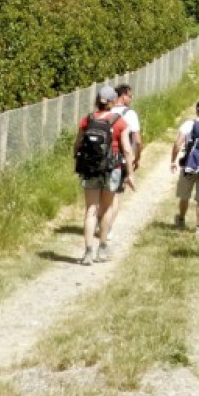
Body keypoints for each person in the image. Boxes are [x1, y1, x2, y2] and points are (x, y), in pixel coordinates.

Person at [74, 84, 133, 266]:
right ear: (114, 101)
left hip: (91, 169)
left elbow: (77, 144)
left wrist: (77, 163)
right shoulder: (119, 122)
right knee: (106, 209)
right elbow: (127, 150)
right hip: (112, 168)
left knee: (90, 210)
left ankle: (88, 251)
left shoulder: (87, 120)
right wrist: (130, 173)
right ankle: (103, 247)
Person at [170, 98, 199, 231]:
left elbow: (178, 144)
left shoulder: (189, 124)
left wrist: (173, 160)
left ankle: (181, 218)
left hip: (189, 164)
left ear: (197, 111)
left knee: (184, 194)